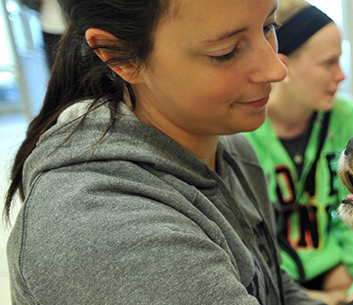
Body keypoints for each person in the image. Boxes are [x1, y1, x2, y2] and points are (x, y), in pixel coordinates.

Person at [3, 0, 326, 304]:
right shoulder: (103, 230)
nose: (275, 70)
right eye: (225, 52)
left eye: (270, 26)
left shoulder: (229, 145)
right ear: (118, 54)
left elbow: (273, 283)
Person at [243, 1, 353, 304]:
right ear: (283, 66)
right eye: (329, 63)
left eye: (341, 61)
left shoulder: (344, 119)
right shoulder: (242, 132)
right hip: (270, 275)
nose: (341, 75)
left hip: (328, 262)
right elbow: (244, 244)